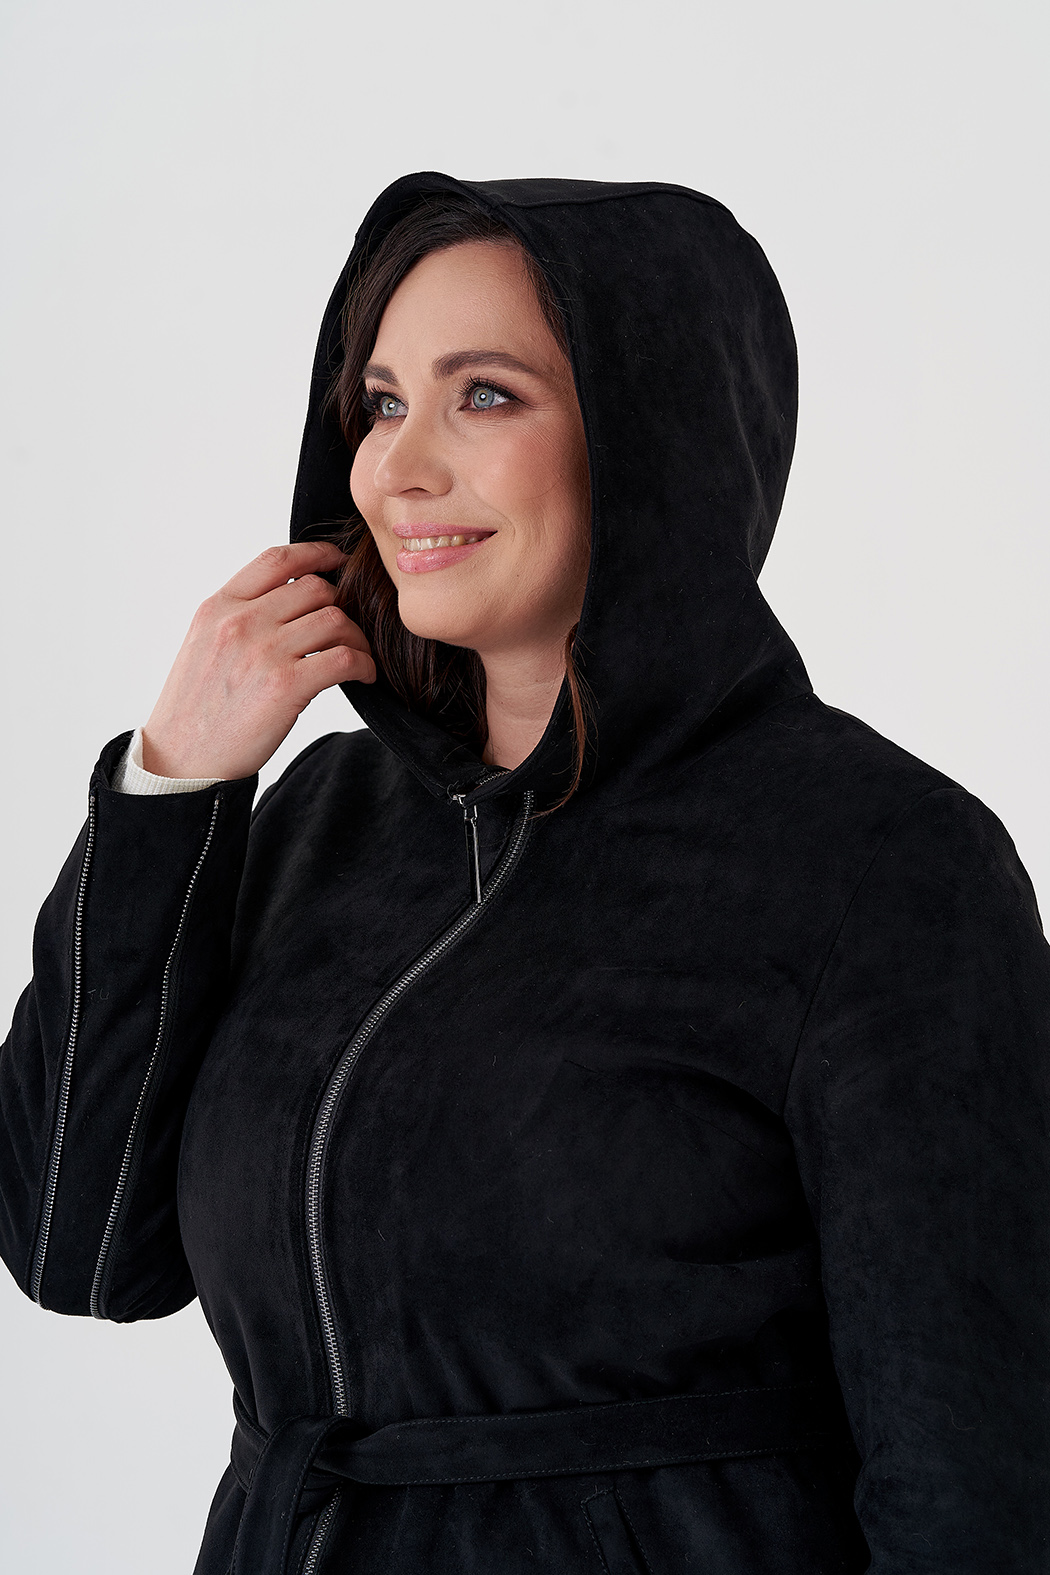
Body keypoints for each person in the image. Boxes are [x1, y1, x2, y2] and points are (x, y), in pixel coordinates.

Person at [1, 173, 1047, 1575]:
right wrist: (171, 789)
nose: (398, 468)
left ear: (651, 433)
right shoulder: (318, 823)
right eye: (381, 403)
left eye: (484, 396)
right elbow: (77, 1250)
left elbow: (978, 1487)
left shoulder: (883, 866)